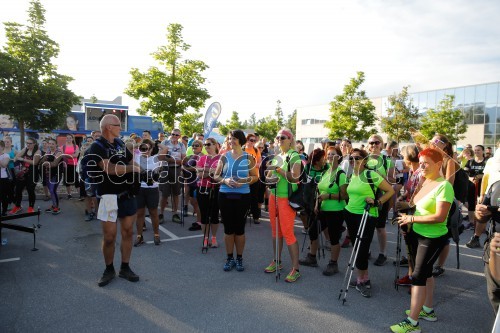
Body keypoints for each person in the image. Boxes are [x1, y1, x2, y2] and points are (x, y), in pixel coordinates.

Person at [391, 148, 454, 333]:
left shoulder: (444, 186)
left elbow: (440, 216)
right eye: (421, 162)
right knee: (426, 274)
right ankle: (427, 309)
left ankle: (413, 323)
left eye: (426, 163)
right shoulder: (427, 182)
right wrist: (407, 209)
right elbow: (419, 207)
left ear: (439, 164)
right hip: (417, 233)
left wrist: (411, 219)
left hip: (433, 237)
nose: (422, 166)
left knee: (418, 275)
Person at [86, 114, 141, 287]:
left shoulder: (119, 143)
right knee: (109, 237)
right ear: (109, 127)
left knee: (128, 232)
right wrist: (131, 168)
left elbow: (132, 160)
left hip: (126, 194)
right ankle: (108, 269)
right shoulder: (96, 146)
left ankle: (125, 267)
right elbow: (109, 169)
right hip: (108, 197)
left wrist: (136, 168)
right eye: (118, 125)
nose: (121, 128)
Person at [344, 148, 394, 297]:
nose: (354, 161)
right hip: (350, 213)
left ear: (365, 161)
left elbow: (390, 191)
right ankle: (364, 278)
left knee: (362, 249)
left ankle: (361, 280)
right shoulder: (352, 175)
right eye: (351, 159)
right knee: (357, 247)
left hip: (366, 214)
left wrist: (377, 202)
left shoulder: (370, 174)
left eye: (357, 158)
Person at [214, 129, 258, 272]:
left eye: (234, 139)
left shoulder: (248, 157)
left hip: (243, 196)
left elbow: (255, 177)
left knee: (239, 229)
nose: (231, 141)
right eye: (229, 139)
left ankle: (239, 258)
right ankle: (229, 258)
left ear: (240, 140)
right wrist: (225, 180)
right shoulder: (224, 156)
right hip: (225, 195)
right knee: (228, 229)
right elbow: (216, 176)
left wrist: (244, 181)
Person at [301, 146, 348, 276]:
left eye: (333, 154)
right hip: (322, 208)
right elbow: (319, 190)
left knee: (333, 237)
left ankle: (333, 264)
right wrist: (317, 204)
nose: (330, 157)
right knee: (312, 231)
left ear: (339, 157)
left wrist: (328, 196)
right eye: (329, 154)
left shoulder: (340, 173)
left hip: (336, 210)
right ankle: (312, 257)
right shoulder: (326, 172)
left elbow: (344, 195)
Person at [264, 128, 303, 283]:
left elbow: (294, 178)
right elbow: (268, 177)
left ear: (290, 139)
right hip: (274, 197)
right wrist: (269, 175)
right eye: (278, 137)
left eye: (283, 137)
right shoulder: (278, 156)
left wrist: (278, 170)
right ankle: (277, 261)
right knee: (275, 232)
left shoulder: (294, 156)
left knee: (288, 233)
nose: (280, 139)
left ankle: (296, 268)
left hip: (286, 199)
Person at [428, 134, 457, 277]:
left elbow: (449, 184)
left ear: (444, 145)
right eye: (431, 141)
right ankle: (426, 261)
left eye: (435, 142)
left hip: (443, 199)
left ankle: (440, 265)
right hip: (429, 199)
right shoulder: (431, 158)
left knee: (444, 234)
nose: (432, 143)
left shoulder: (448, 160)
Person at [395, 144, 422, 287]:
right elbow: (409, 190)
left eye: (403, 155)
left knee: (415, 248)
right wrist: (403, 196)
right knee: (409, 248)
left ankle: (416, 280)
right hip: (407, 214)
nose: (402, 158)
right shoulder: (412, 171)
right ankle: (411, 275)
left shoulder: (421, 172)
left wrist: (408, 205)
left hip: (415, 215)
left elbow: (423, 196)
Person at [366, 134, 396, 266]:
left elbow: (393, 180)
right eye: (371, 143)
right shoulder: (364, 159)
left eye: (376, 142)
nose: (374, 145)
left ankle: (383, 253)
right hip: (366, 196)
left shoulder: (386, 160)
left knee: (380, 227)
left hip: (381, 197)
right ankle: (366, 250)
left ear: (381, 144)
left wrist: (382, 176)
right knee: (367, 226)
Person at [133, 139, 166, 246]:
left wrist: (156, 143)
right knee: (140, 214)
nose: (145, 150)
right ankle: (139, 236)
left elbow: (165, 149)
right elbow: (127, 147)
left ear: (152, 149)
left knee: (153, 213)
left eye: (148, 148)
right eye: (143, 148)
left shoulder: (155, 158)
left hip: (152, 189)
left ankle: (156, 234)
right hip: (140, 188)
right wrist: (139, 144)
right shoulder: (136, 157)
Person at [196, 137, 221, 247]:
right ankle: (205, 238)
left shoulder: (221, 158)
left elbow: (219, 175)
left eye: (209, 144)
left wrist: (205, 170)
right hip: (202, 188)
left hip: (216, 189)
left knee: (214, 214)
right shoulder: (202, 158)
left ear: (215, 145)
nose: (206, 146)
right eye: (205, 145)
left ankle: (214, 238)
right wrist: (209, 171)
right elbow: (199, 174)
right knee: (204, 215)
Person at [159, 128, 186, 223]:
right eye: (173, 134)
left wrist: (170, 159)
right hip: (165, 169)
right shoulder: (165, 142)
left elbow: (183, 160)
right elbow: (161, 157)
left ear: (180, 136)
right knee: (165, 193)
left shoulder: (181, 145)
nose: (174, 136)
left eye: (176, 135)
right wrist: (173, 160)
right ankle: (161, 214)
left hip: (176, 169)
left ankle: (175, 213)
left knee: (176, 193)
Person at [9, 138, 41, 214]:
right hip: (23, 173)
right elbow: (17, 156)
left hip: (33, 174)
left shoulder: (38, 151)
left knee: (30, 190)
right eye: (27, 143)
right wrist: (17, 157)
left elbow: (35, 162)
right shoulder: (26, 149)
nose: (28, 145)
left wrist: (23, 159)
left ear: (34, 144)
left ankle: (31, 207)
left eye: (30, 143)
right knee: (18, 189)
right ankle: (17, 206)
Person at [464, 145, 487, 236]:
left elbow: (488, 173)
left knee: (482, 204)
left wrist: (480, 176)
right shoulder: (470, 161)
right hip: (472, 185)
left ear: (483, 151)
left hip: (483, 186)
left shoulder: (486, 162)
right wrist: (471, 178)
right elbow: (465, 173)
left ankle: (482, 224)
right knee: (471, 204)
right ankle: (471, 222)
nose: (477, 152)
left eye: (479, 150)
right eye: (475, 150)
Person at [39, 138, 64, 214]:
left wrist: (46, 162)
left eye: (53, 144)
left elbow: (54, 164)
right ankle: (54, 205)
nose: (51, 145)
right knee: (51, 191)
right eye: (49, 144)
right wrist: (46, 161)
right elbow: (41, 161)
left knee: (53, 190)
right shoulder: (48, 151)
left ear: (56, 144)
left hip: (56, 174)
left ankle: (56, 207)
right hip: (48, 173)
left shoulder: (59, 152)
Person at [183, 139, 203, 230]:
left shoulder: (201, 156)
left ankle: (200, 221)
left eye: (197, 145)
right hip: (190, 181)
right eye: (193, 145)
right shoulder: (192, 156)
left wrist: (186, 168)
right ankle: (200, 218)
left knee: (197, 202)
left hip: (197, 182)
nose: (194, 147)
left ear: (201, 147)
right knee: (192, 201)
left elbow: (197, 168)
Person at [244, 133, 262, 224]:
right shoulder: (242, 149)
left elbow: (259, 161)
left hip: (255, 177)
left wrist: (255, 165)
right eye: (251, 140)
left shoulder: (256, 149)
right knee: (244, 197)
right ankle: (244, 214)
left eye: (254, 141)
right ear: (246, 140)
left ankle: (256, 216)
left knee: (254, 197)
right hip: (244, 177)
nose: (253, 142)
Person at [61, 134, 80, 199]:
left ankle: (80, 194)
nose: (68, 139)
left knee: (76, 180)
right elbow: (61, 155)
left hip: (74, 164)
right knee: (67, 180)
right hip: (66, 165)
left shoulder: (76, 146)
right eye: (67, 138)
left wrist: (66, 155)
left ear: (72, 139)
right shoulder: (63, 147)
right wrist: (71, 155)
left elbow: (76, 155)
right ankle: (69, 194)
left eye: (70, 138)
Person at [0, 140, 11, 216]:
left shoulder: (6, 155)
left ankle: (4, 211)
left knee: (3, 195)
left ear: (2, 147)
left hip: (3, 178)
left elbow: (4, 165)